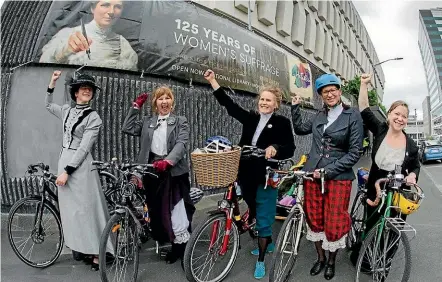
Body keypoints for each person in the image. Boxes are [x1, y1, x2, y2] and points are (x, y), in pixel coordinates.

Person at [203, 69, 296, 279]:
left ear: (276, 104)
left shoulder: (282, 123)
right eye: (262, 99)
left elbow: (290, 147)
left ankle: (262, 259)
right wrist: (213, 81)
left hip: (265, 175)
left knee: (263, 218)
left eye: (268, 100)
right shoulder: (252, 117)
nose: (263, 102)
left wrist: (275, 148)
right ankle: (264, 237)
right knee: (252, 205)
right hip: (244, 170)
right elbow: (230, 107)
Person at [291, 73, 363, 280]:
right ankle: (320, 258)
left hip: (338, 177)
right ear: (321, 95)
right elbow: (300, 129)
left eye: (333, 90)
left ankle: (331, 261)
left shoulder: (353, 116)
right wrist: (295, 107)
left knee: (334, 220)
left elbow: (355, 152)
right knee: (314, 217)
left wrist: (329, 170)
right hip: (312, 174)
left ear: (339, 91)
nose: (330, 94)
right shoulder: (319, 115)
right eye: (325, 91)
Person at [350, 73, 420, 266]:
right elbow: (364, 109)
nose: (400, 118)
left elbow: (415, 165)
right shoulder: (381, 129)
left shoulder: (411, 145)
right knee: (371, 223)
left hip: (398, 190)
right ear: (389, 115)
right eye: (396, 114)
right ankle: (365, 258)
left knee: (393, 229)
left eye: (404, 116)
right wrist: (364, 85)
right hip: (376, 184)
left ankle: (383, 262)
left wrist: (413, 175)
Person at [46, 70, 112, 271]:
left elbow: (84, 148)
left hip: (80, 168)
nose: (87, 91)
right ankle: (82, 247)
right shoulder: (66, 110)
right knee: (72, 212)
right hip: (64, 161)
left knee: (87, 210)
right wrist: (52, 82)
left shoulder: (94, 118)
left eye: (90, 89)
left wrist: (67, 171)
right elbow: (48, 105)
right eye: (83, 88)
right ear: (75, 92)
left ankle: (99, 252)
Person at [122, 86, 195, 265]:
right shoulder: (148, 121)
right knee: (157, 210)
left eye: (167, 98)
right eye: (160, 98)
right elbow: (127, 128)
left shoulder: (180, 121)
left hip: (173, 172)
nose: (164, 102)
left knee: (176, 210)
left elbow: (181, 144)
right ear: (155, 103)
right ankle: (166, 239)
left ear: (172, 102)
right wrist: (135, 107)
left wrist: (168, 161)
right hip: (152, 171)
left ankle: (180, 248)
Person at [40, 0, 138, 71]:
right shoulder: (68, 34)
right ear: (93, 8)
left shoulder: (122, 43)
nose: (111, 12)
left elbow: (130, 74)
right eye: (105, 5)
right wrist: (65, 50)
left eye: (118, 6)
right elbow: (43, 65)